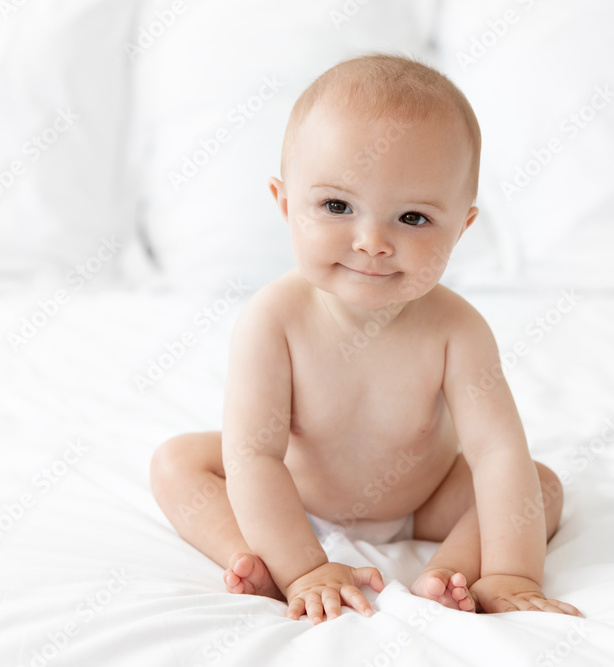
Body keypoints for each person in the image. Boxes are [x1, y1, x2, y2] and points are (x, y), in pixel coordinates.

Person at [150, 53, 581, 624]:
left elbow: (496, 454)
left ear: (462, 227)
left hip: (423, 500)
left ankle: (453, 573)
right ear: (284, 204)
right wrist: (306, 566)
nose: (372, 241)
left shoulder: (458, 329)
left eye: (413, 218)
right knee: (175, 462)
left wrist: (515, 571)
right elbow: (253, 456)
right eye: (336, 206)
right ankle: (254, 558)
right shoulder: (272, 319)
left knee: (540, 485)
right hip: (291, 499)